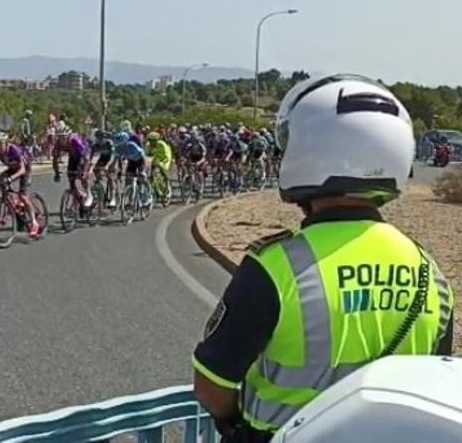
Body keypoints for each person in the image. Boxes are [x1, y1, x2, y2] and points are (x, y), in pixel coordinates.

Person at [192, 74, 454, 443]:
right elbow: (429, 383)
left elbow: (211, 385)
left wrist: (234, 425)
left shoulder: (275, 267)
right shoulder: (431, 273)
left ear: (310, 154)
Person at [0, 132, 39, 237]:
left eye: (0, 144)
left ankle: (34, 222)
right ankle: (11, 203)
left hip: (24, 169)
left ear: (6, 143)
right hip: (13, 168)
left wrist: (11, 178)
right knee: (1, 181)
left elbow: (22, 169)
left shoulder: (14, 150)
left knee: (23, 196)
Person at [53, 124, 93, 209]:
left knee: (81, 176)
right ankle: (76, 199)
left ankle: (89, 194)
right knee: (71, 179)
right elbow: (55, 159)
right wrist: (56, 173)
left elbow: (86, 159)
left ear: (68, 136)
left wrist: (85, 172)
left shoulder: (75, 141)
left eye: (64, 137)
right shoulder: (58, 143)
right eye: (60, 137)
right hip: (72, 156)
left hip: (83, 154)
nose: (62, 140)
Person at [145, 132, 173, 200]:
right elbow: (146, 155)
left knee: (163, 169)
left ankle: (167, 185)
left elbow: (167, 156)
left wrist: (162, 164)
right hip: (156, 158)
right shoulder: (148, 145)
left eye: (154, 141)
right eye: (150, 141)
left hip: (165, 158)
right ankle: (154, 188)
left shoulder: (162, 144)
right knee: (152, 171)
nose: (152, 143)